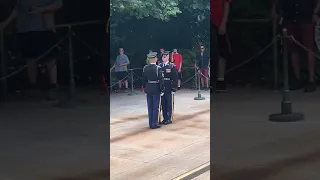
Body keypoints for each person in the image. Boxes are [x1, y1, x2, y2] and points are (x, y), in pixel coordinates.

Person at [0, 0, 63, 100]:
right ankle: (33, 86)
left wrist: (42, 9)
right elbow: (17, 9)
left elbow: (58, 4)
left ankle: (53, 86)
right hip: (25, 29)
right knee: (29, 58)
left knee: (49, 58)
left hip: (44, 28)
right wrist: (5, 23)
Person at [271, 0, 319, 92]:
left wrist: (315, 12)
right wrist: (274, 9)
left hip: (306, 16)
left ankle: (311, 80)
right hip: (289, 17)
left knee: (309, 48)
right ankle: (297, 79)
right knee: (293, 48)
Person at [211, 0, 232, 92]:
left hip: (218, 22)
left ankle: (220, 79)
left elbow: (226, 5)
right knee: (212, 51)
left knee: (221, 51)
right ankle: (211, 81)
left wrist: (223, 22)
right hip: (209, 21)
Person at [142, 52, 164, 129]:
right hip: (156, 88)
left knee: (150, 107)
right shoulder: (158, 68)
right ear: (155, 59)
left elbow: (143, 80)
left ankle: (150, 123)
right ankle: (154, 123)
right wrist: (162, 89)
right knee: (156, 107)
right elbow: (161, 80)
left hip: (148, 89)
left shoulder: (145, 68)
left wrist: (145, 88)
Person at [159, 51, 178, 125]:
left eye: (165, 56)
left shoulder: (171, 66)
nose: (163, 58)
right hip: (162, 86)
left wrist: (174, 88)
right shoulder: (160, 66)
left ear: (168, 57)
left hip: (169, 86)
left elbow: (175, 78)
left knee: (169, 103)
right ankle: (165, 118)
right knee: (163, 103)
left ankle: (169, 118)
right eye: (163, 56)